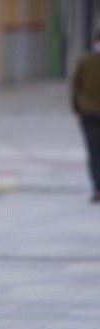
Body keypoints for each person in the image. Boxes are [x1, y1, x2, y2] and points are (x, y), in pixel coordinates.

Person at [71, 30, 100, 203]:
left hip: (87, 113)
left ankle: (97, 188)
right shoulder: (84, 61)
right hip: (89, 113)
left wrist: (76, 108)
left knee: (94, 151)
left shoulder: (84, 61)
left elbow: (75, 86)